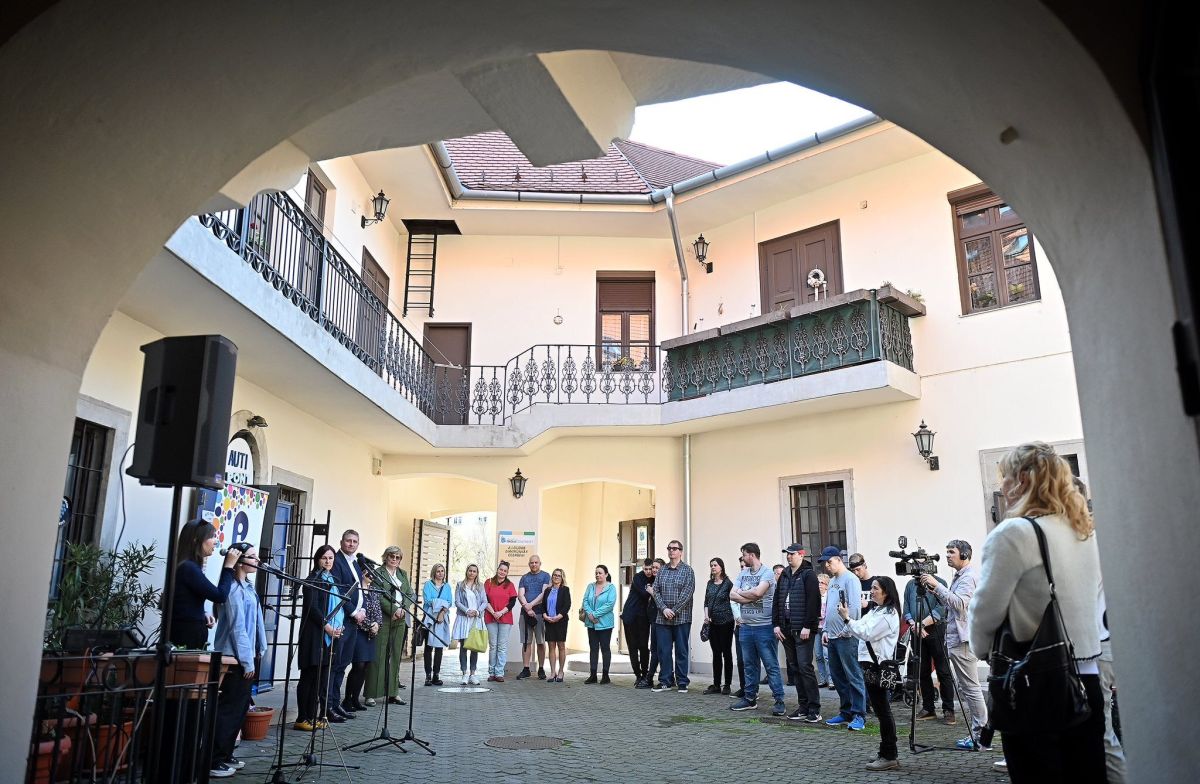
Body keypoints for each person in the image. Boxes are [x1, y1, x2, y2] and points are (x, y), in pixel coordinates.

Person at [970, 442, 1106, 782]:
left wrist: (982, 649)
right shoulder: (1083, 530)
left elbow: (985, 611)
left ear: (1022, 480)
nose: (1002, 487)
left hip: (1036, 679)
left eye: (1005, 477)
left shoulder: (1015, 532)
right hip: (1087, 678)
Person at [920, 538, 987, 749]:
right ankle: (980, 733)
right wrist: (935, 591)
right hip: (957, 639)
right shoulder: (960, 576)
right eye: (947, 551)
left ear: (964, 555)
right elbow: (951, 604)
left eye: (952, 552)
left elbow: (960, 604)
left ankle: (981, 735)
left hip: (963, 641)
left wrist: (937, 585)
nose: (947, 555)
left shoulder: (968, 577)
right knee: (968, 688)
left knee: (971, 689)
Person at [209, 543, 267, 778]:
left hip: (247, 655)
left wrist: (261, 646)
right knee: (229, 709)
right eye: (252, 557)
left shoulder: (249, 588)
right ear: (240, 561)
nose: (257, 560)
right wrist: (247, 660)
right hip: (234, 657)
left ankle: (226, 753)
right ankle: (214, 759)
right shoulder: (233, 589)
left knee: (241, 708)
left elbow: (257, 620)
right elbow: (237, 628)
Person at [842, 576, 903, 772]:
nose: (872, 591)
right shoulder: (876, 610)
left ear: (886, 592)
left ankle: (889, 755)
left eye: (876, 588)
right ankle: (885, 751)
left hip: (879, 666)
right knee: (880, 710)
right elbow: (860, 627)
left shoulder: (888, 614)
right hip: (870, 665)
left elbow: (866, 632)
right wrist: (849, 624)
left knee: (883, 711)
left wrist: (847, 619)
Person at [728, 542, 785, 715]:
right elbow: (732, 594)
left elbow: (758, 593)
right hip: (745, 627)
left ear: (751, 555)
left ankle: (779, 700)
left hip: (764, 627)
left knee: (770, 665)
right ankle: (750, 698)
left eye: (744, 555)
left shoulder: (767, 573)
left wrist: (744, 594)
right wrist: (750, 596)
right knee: (749, 665)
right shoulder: (742, 573)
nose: (743, 558)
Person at [169, 520, 240, 647]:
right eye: (211, 536)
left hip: (190, 633)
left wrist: (202, 614)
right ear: (196, 540)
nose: (215, 541)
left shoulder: (189, 566)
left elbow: (186, 602)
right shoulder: (188, 567)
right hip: (186, 636)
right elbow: (220, 596)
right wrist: (229, 566)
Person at [819, 545, 867, 730]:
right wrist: (825, 630)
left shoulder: (851, 579)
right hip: (832, 636)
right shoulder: (832, 581)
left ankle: (859, 714)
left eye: (829, 562)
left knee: (853, 675)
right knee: (838, 677)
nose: (827, 566)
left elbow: (854, 608)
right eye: (825, 563)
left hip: (847, 636)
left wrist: (849, 629)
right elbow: (829, 607)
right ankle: (846, 711)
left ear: (839, 560)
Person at [296, 545, 342, 730]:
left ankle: (313, 716)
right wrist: (327, 627)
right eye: (324, 558)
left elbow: (338, 606)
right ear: (317, 559)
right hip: (314, 634)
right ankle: (302, 718)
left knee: (319, 678)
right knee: (309, 676)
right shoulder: (312, 580)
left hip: (328, 635)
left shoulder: (332, 580)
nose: (328, 561)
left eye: (331, 558)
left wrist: (337, 626)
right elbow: (313, 608)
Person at [774, 544, 822, 722]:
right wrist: (776, 624)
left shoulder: (809, 574)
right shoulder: (785, 574)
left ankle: (814, 709)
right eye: (787, 554)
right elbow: (777, 599)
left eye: (792, 554)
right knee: (795, 668)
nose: (789, 557)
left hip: (803, 630)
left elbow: (814, 601)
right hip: (786, 629)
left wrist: (808, 625)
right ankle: (803, 707)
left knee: (805, 667)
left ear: (801, 555)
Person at [903, 570, 954, 724]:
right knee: (922, 670)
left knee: (943, 670)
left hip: (936, 630)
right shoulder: (911, 584)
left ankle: (948, 709)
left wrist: (922, 624)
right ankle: (928, 708)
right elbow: (906, 608)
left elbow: (942, 608)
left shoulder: (940, 582)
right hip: (916, 631)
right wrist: (914, 624)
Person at [365, 545, 411, 706]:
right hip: (383, 618)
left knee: (395, 656)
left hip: (400, 619)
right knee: (378, 655)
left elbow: (409, 593)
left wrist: (403, 609)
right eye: (392, 556)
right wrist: (393, 609)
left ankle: (393, 693)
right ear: (386, 557)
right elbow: (377, 595)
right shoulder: (378, 573)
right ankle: (371, 694)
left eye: (398, 557)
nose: (394, 559)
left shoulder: (403, 574)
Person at [327, 529, 366, 721]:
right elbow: (339, 591)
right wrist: (353, 612)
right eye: (348, 541)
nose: (351, 544)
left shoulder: (356, 563)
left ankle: (337, 704)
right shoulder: (336, 561)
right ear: (341, 542)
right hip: (342, 619)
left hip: (353, 622)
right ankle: (328, 706)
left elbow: (360, 589)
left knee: (343, 664)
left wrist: (363, 609)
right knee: (335, 665)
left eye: (355, 541)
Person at [650, 539, 695, 693]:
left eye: (674, 548)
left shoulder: (688, 571)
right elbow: (655, 591)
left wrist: (674, 610)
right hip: (662, 618)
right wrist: (664, 609)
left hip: (682, 618)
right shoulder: (662, 570)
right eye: (669, 548)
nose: (671, 551)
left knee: (681, 651)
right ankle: (665, 681)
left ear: (680, 552)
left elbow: (687, 593)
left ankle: (682, 682)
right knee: (664, 651)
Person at [342, 567, 381, 711]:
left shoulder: (374, 591)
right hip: (359, 631)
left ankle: (355, 699)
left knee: (365, 667)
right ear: (362, 574)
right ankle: (347, 699)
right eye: (367, 573)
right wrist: (368, 625)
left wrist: (377, 624)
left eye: (373, 574)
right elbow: (355, 612)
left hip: (371, 633)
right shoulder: (356, 590)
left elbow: (378, 611)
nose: (371, 576)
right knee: (358, 665)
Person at [703, 557, 734, 695]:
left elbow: (733, 601)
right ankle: (716, 684)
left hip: (726, 622)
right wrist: (706, 616)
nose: (713, 567)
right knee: (716, 653)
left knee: (726, 652)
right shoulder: (709, 583)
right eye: (711, 565)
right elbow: (706, 602)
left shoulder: (728, 583)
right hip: (713, 622)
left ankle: (727, 684)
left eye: (715, 565)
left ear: (721, 567)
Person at [516, 555, 551, 680]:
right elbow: (520, 595)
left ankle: (541, 668)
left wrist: (530, 605)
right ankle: (526, 669)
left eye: (536, 562)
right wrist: (527, 608)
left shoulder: (546, 576)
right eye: (532, 562)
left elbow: (544, 593)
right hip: (525, 614)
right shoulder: (524, 578)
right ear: (529, 564)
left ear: (540, 563)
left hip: (540, 613)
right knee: (526, 642)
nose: (534, 564)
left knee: (541, 642)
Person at [452, 564, 487, 685]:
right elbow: (457, 602)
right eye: (470, 571)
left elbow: (485, 602)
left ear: (477, 573)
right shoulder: (460, 585)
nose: (472, 573)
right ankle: (464, 674)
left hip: (476, 619)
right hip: (464, 618)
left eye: (474, 571)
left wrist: (477, 611)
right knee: (463, 647)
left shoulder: (480, 586)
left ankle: (473, 674)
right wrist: (467, 610)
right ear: (467, 571)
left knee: (474, 646)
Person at [483, 560, 518, 682]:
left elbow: (512, 602)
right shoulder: (488, 582)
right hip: (490, 616)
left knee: (502, 646)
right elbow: (485, 599)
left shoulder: (510, 585)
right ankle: (491, 672)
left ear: (507, 573)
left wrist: (501, 612)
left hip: (505, 618)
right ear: (497, 569)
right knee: (493, 645)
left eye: (505, 571)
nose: (502, 572)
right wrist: (493, 612)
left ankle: (499, 673)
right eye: (501, 569)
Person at [622, 559, 655, 688]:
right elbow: (644, 593)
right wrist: (651, 590)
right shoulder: (637, 577)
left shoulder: (655, 578)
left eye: (650, 569)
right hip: (630, 616)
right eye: (646, 569)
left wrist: (651, 590)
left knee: (644, 646)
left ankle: (645, 675)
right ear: (643, 568)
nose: (648, 571)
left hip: (644, 617)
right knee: (633, 647)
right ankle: (638, 675)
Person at [583, 565, 617, 683]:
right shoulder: (590, 586)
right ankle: (593, 675)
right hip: (591, 623)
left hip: (605, 624)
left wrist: (594, 614)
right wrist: (590, 614)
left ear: (606, 574)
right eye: (596, 573)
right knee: (593, 649)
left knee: (605, 648)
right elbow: (585, 601)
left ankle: (605, 675)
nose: (597, 575)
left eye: (600, 573)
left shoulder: (611, 588)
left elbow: (609, 605)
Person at [421, 563, 451, 686]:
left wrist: (442, 612)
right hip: (429, 618)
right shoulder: (428, 585)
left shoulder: (447, 586)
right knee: (428, 647)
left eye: (442, 571)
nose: (440, 573)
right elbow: (428, 601)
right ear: (434, 572)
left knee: (439, 647)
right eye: (438, 571)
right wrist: (442, 604)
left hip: (442, 618)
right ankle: (428, 676)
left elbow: (450, 602)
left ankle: (436, 675)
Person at [539, 568, 571, 682]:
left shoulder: (565, 590)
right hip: (549, 621)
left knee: (561, 646)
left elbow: (567, 605)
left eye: (558, 575)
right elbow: (543, 605)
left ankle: (561, 671)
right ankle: (553, 672)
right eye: (554, 575)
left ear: (562, 578)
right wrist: (545, 615)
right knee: (551, 646)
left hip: (561, 621)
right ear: (552, 577)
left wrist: (558, 616)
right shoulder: (547, 590)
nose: (556, 577)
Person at [644, 558, 666, 689]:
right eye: (653, 567)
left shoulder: (663, 582)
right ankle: (657, 677)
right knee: (655, 649)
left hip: (661, 620)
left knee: (659, 650)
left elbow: (662, 601)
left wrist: (652, 593)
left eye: (657, 567)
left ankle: (650, 677)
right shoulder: (652, 582)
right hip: (653, 619)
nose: (654, 570)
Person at [815, 573, 832, 688]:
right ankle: (822, 679)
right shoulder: (814, 596)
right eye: (818, 582)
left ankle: (831, 680)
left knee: (827, 656)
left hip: (826, 629)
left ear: (827, 585)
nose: (819, 585)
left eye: (822, 583)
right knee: (818, 655)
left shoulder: (829, 597)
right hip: (816, 629)